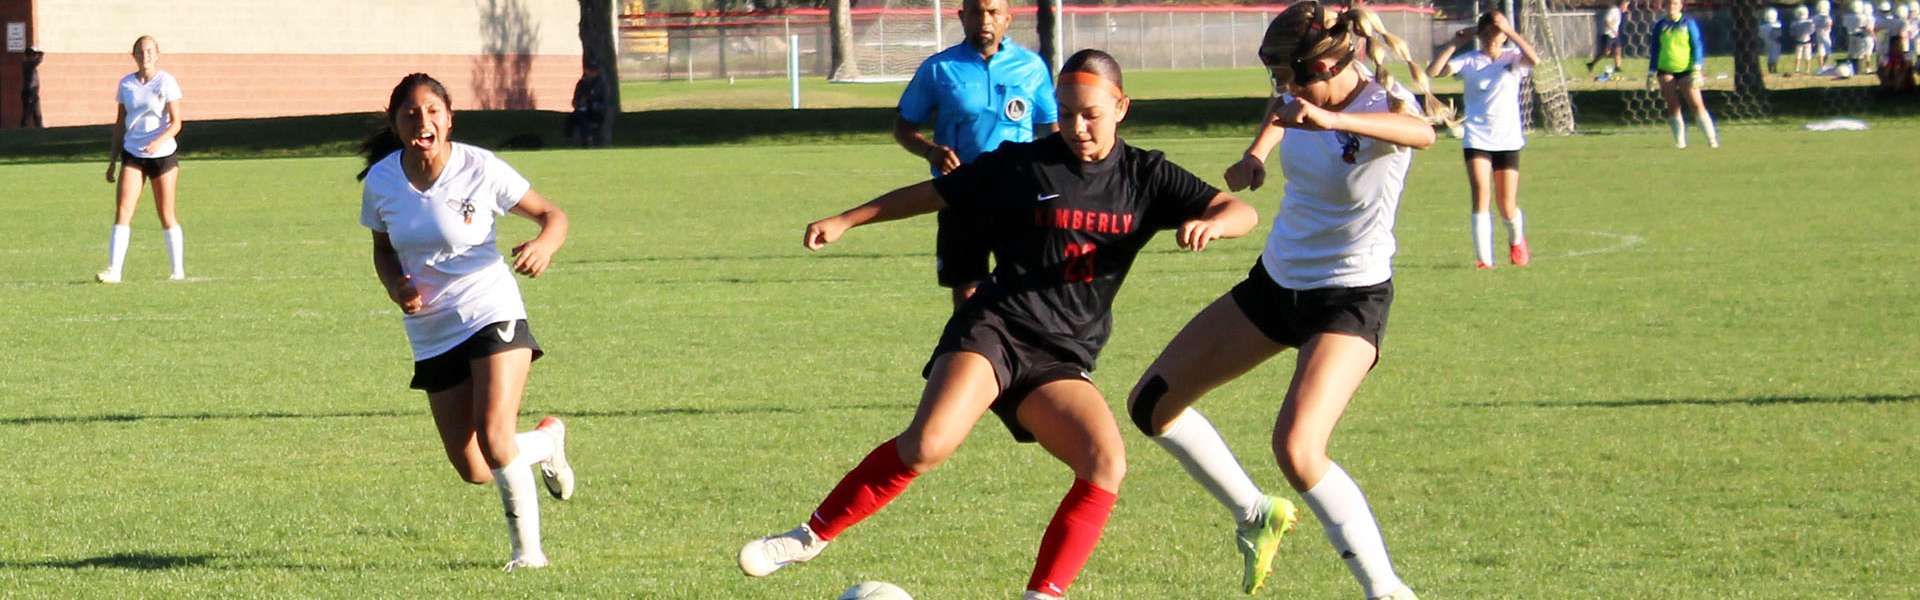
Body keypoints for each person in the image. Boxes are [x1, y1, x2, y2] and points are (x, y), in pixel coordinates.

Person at [738, 50, 1257, 600]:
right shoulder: (1024, 163)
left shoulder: (1147, 176)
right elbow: (935, 193)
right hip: (995, 329)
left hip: (1061, 357)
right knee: (927, 445)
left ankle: (1042, 596)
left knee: (1105, 464)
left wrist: (1215, 225)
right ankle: (807, 537)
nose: (1077, 127)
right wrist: (847, 219)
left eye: (1091, 114)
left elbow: (1241, 211)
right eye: (1065, 112)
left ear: (1121, 107)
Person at [1129, 3, 1442, 598]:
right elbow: (1282, 114)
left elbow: (1421, 133)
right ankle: (1255, 513)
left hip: (1349, 299)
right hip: (1275, 285)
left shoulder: (1384, 103)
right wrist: (1256, 156)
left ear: (1326, 63)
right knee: (1151, 405)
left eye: (1292, 77)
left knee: (1298, 448)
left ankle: (1387, 590)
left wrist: (1331, 122)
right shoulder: (1298, 99)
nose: (1284, 91)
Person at [357, 72, 577, 572]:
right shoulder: (383, 181)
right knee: (475, 467)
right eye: (411, 113)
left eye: (433, 110)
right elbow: (383, 250)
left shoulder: (481, 168)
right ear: (396, 124)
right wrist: (397, 287)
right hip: (432, 329)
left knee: (495, 436)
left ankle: (529, 556)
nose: (423, 120)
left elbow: (553, 215)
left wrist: (544, 244)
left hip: (491, 308)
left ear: (449, 118)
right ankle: (545, 442)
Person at [894, 0, 1059, 308]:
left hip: (1019, 195)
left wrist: (1060, 178)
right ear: (962, 17)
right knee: (967, 294)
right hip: (961, 194)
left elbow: (1052, 130)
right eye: (976, 12)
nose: (985, 19)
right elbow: (904, 129)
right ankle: (967, 349)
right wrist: (931, 152)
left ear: (1007, 19)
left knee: (1027, 290)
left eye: (993, 12)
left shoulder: (1031, 67)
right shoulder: (938, 68)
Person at [1429, 10, 1540, 269]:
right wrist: (1455, 43)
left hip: (1508, 139)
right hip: (1477, 137)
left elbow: (1534, 59)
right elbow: (1433, 71)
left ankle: (1516, 242)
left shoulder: (1513, 59)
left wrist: (1511, 31)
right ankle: (1484, 260)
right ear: (1480, 34)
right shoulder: (1469, 61)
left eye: (1497, 32)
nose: (1492, 37)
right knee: (1480, 192)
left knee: (1506, 203)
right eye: (1488, 31)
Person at [99, 36, 185, 284]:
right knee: (123, 211)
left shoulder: (166, 81)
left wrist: (159, 141)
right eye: (140, 51)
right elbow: (119, 124)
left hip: (163, 156)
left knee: (166, 213)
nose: (144, 55)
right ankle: (114, 271)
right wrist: (113, 159)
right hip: (133, 154)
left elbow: (177, 122)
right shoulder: (126, 84)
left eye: (149, 51)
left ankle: (177, 271)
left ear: (157, 54)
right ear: (133, 55)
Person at [1648, 0, 1719, 149]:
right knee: (1673, 105)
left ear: (1680, 6)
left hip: (1686, 70)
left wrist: (1697, 68)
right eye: (1668, 4)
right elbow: (1655, 50)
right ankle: (1680, 141)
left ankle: (1711, 139)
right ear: (1664, 7)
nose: (1671, 8)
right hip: (1665, 69)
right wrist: (1651, 73)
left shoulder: (1688, 23)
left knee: (1696, 104)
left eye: (1674, 4)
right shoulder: (1660, 26)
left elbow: (1697, 45)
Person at [565, 59, 608, 148]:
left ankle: (587, 140)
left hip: (595, 111)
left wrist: (589, 102)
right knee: (573, 118)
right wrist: (579, 103)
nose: (592, 72)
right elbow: (575, 101)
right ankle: (569, 140)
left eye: (594, 70)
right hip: (582, 110)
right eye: (590, 70)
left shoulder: (600, 84)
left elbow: (602, 101)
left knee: (582, 118)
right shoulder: (581, 84)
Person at [1587, 0, 1630, 79]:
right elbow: (1606, 21)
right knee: (1606, 53)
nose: (1627, 8)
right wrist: (1613, 30)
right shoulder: (1613, 10)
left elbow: (1625, 18)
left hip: (1615, 35)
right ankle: (1591, 64)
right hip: (1608, 34)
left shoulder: (1620, 12)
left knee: (1618, 50)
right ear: (1622, 4)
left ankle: (1617, 67)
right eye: (1626, 5)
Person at [19, 47, 43, 129]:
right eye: (32, 55)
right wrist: (40, 53)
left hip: (33, 91)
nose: (33, 56)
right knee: (28, 110)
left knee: (37, 112)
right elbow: (39, 60)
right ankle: (23, 126)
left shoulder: (29, 63)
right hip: (29, 91)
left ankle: (39, 127)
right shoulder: (27, 63)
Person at [1791, 5, 1818, 74]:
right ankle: (1807, 69)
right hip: (1807, 41)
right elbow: (1812, 31)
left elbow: (1792, 33)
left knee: (1798, 56)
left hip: (1799, 41)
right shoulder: (1809, 22)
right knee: (1807, 55)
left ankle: (1797, 69)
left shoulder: (1794, 24)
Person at [1763, 7, 1785, 74]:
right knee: (1775, 55)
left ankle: (1771, 69)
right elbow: (1778, 35)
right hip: (1775, 42)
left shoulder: (1764, 26)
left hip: (1768, 42)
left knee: (1770, 55)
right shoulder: (1777, 25)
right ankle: (1774, 68)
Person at [1816, 0, 1836, 71]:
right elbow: (1830, 25)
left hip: (1824, 35)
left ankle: (1823, 66)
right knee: (1822, 51)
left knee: (1826, 52)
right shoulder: (1827, 17)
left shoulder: (1818, 17)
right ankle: (1821, 67)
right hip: (1823, 35)